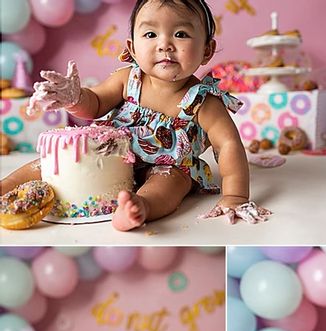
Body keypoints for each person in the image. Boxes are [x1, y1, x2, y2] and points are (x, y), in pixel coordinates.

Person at [1, 0, 269, 230]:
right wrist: (76, 98)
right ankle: (5, 187)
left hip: (168, 167)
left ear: (207, 50)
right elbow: (94, 104)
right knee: (47, 164)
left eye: (181, 34)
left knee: (170, 184)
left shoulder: (203, 101)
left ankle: (138, 208)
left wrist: (235, 195)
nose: (165, 45)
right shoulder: (127, 79)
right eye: (151, 35)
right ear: (131, 47)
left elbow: (228, 145)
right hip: (111, 157)